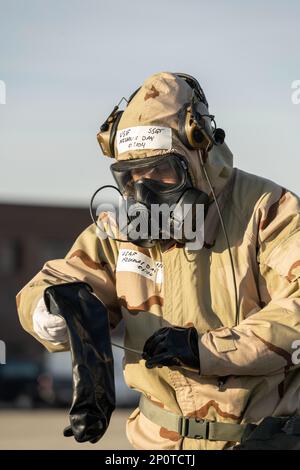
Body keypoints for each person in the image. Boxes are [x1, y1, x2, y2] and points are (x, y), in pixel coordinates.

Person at [16, 72, 300, 450]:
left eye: (162, 171)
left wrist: (206, 351)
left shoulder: (268, 210)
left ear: (197, 152)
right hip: (158, 444)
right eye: (132, 176)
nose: (145, 192)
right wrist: (54, 309)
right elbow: (49, 282)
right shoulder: (119, 225)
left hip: (259, 440)